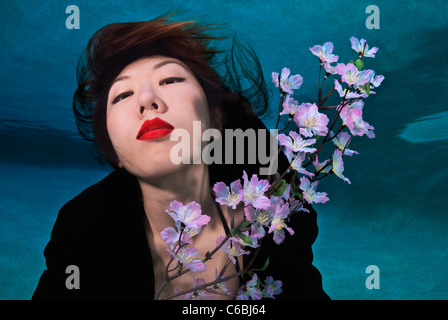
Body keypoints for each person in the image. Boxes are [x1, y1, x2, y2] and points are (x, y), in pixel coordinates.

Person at [32, 14, 329, 300]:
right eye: (122, 95)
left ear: (214, 119)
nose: (147, 100)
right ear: (112, 149)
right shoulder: (81, 233)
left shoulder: (279, 215)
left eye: (170, 80)